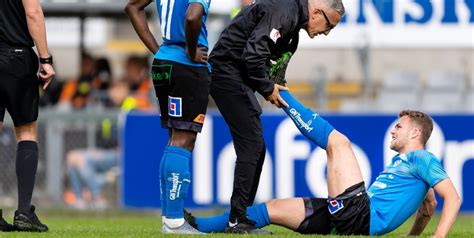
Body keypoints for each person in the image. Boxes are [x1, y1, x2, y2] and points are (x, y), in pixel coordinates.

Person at [185, 109, 461, 236]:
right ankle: (195, 226)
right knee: (269, 209)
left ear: (415, 132)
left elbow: (453, 199)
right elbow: (429, 206)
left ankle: (285, 98)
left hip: (359, 217)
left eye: (399, 127)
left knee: (338, 143)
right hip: (348, 219)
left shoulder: (422, 158)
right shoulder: (408, 167)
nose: (393, 130)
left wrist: (438, 237)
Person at [208, 0, 344, 233]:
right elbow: (253, 56)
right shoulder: (284, 11)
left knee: (256, 149)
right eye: (329, 25)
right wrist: (267, 88)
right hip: (225, 74)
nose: (327, 32)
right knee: (252, 146)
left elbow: (275, 73)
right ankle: (237, 220)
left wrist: (275, 86)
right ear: (317, 12)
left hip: (237, 78)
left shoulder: (293, 33)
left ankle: (240, 218)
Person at [126, 0, 211, 234]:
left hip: (165, 62)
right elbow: (193, 16)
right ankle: (174, 222)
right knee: (183, 140)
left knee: (175, 139)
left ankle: (169, 217)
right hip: (187, 67)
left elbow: (132, 7)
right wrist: (192, 50)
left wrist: (159, 51)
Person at [0, 0, 55, 232]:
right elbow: (33, 13)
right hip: (17, 57)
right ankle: (24, 212)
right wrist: (45, 59)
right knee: (26, 132)